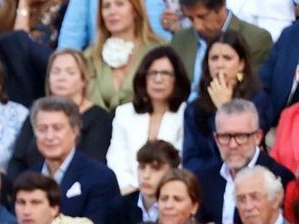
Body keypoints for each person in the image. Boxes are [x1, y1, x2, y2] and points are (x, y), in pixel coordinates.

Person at [180, 32, 270, 172]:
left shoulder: (257, 100)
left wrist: (223, 108)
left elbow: (249, 150)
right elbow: (191, 161)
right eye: (214, 59)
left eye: (227, 58)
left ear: (241, 64)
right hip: (209, 179)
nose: (220, 65)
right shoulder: (195, 108)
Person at [194, 98, 293, 224]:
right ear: (216, 138)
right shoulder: (204, 179)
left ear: (257, 137)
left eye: (241, 136)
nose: (233, 145)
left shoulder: (280, 178)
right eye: (224, 137)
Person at [108, 47, 189, 195]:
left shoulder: (187, 114)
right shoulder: (124, 113)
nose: (158, 79)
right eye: (152, 73)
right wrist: (136, 191)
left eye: (165, 73)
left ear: (177, 79)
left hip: (173, 194)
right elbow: (116, 160)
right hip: (128, 194)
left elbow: (185, 162)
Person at [169, 0, 273, 97]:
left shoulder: (255, 39)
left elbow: (251, 90)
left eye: (202, 17)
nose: (197, 26)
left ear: (221, 6)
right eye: (190, 19)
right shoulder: (180, 39)